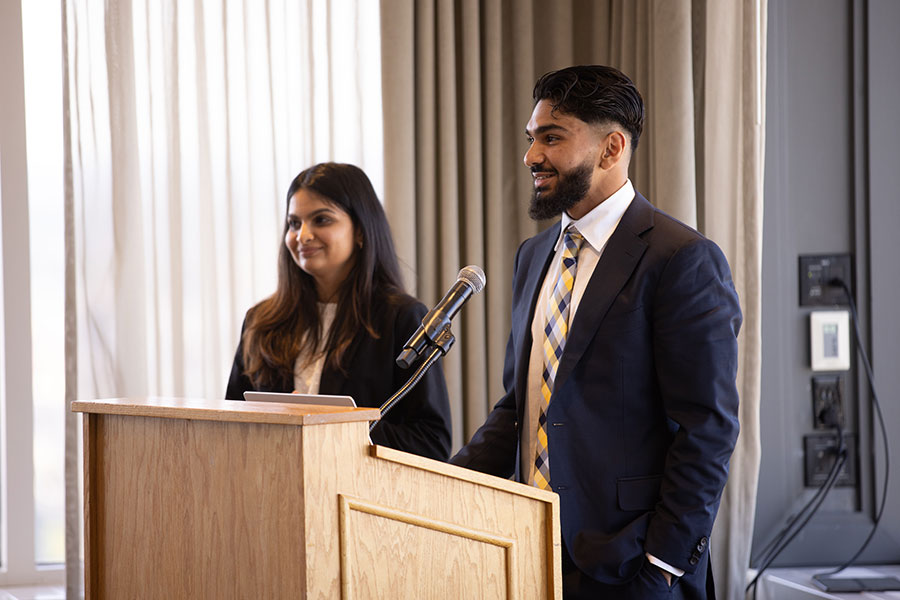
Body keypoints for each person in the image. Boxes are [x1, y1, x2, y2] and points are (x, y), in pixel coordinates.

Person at [450, 65, 742, 599]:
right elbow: (521, 405)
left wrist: (661, 566)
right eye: (531, 138)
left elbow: (708, 431)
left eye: (551, 137)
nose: (531, 156)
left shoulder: (682, 259)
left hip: (632, 569)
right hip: (528, 557)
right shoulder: (533, 256)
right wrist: (437, 488)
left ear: (611, 149)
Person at [226, 162, 452, 461]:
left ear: (360, 230)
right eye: (294, 223)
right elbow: (229, 423)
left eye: (321, 220)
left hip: (359, 498)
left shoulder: (402, 318)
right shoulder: (260, 321)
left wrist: (330, 422)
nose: (303, 235)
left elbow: (431, 442)